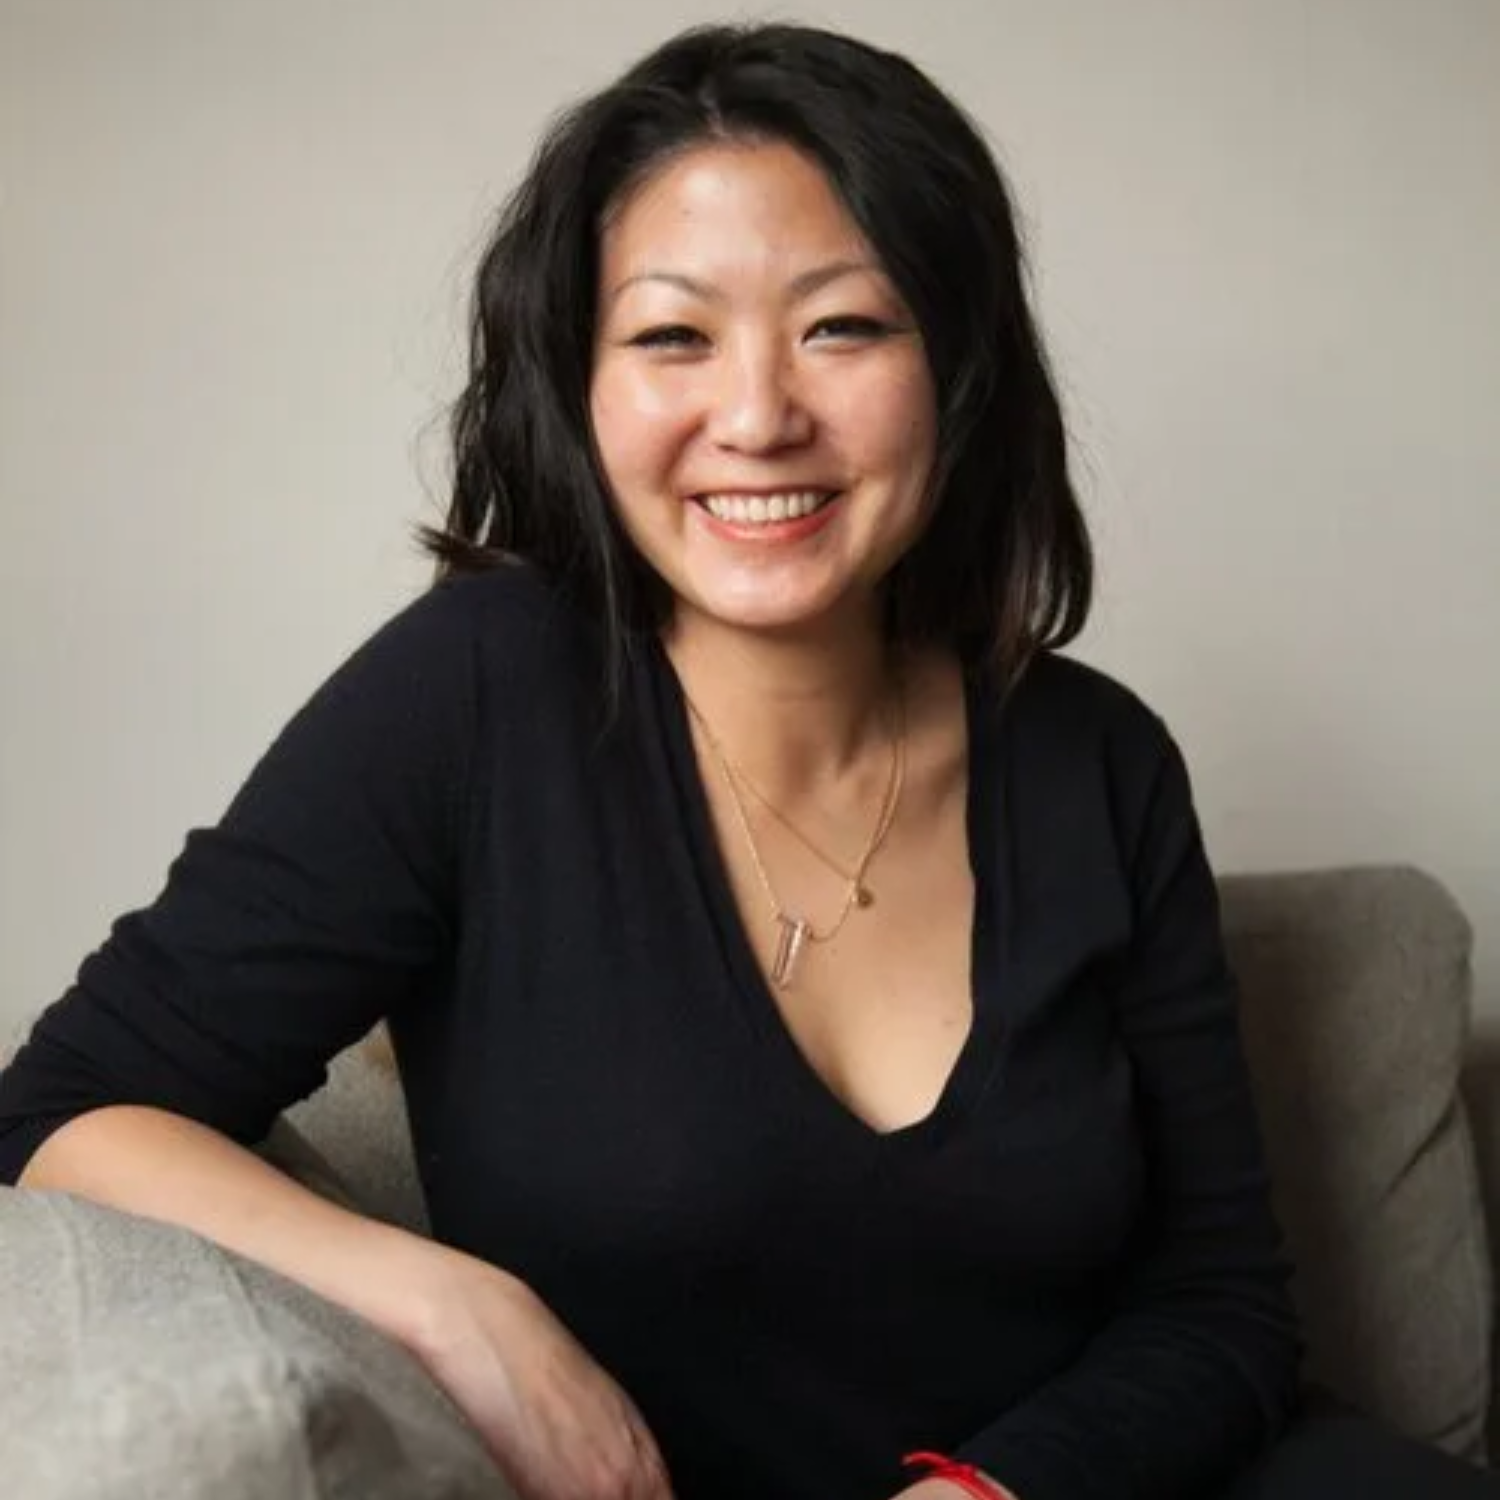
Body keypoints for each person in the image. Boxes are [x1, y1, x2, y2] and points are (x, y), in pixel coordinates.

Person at [0, 21, 1492, 1500]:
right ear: (580, 387)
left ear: (957, 368)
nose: (761, 415)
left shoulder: (1097, 759)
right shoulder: (475, 697)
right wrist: (459, 1305)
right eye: (670, 336)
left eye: (843, 325)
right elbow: (57, 1118)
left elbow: (1222, 1309)